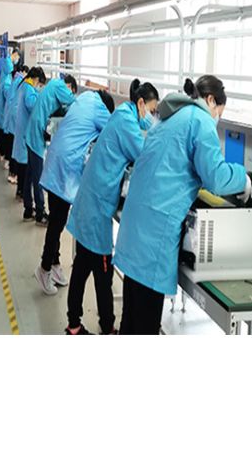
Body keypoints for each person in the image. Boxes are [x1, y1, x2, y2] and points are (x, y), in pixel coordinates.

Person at [113, 75, 252, 334]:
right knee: (144, 326)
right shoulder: (201, 121)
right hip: (153, 236)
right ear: (211, 100)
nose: (217, 117)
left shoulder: (172, 116)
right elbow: (215, 177)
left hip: (136, 229)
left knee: (131, 318)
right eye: (219, 112)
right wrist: (243, 178)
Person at [65, 80, 159, 334]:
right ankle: (107, 328)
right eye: (151, 110)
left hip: (89, 201)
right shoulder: (127, 122)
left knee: (82, 266)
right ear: (141, 103)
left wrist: (153, 128)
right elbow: (144, 157)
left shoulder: (122, 114)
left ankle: (74, 324)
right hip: (97, 208)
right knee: (102, 272)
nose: (151, 116)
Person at [34, 89, 115, 296]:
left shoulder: (84, 98)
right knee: (57, 222)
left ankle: (54, 264)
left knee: (56, 218)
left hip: (56, 160)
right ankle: (44, 268)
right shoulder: (99, 108)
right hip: (65, 167)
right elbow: (115, 131)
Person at [23, 75, 77, 226]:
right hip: (36, 134)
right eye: (71, 90)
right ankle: (40, 213)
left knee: (30, 173)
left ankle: (28, 210)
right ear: (69, 86)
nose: (70, 92)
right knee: (38, 176)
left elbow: (60, 107)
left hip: (32, 131)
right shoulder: (60, 86)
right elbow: (72, 101)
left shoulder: (53, 84)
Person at [12, 67, 47, 206]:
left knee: (25, 166)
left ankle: (22, 194)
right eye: (40, 84)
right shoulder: (28, 88)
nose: (39, 87)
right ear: (37, 79)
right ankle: (22, 193)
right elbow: (31, 104)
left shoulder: (26, 86)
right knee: (25, 166)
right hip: (26, 131)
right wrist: (41, 97)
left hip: (23, 128)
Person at [2, 64, 29, 187]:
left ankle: (11, 171)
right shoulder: (21, 81)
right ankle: (13, 174)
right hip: (15, 115)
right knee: (14, 146)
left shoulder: (16, 80)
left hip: (12, 113)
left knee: (12, 144)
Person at [0, 51, 14, 166]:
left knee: (0, 130)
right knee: (3, 133)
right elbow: (8, 96)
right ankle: (3, 154)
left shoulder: (5, 76)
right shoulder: (7, 81)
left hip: (0, 107)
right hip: (3, 110)